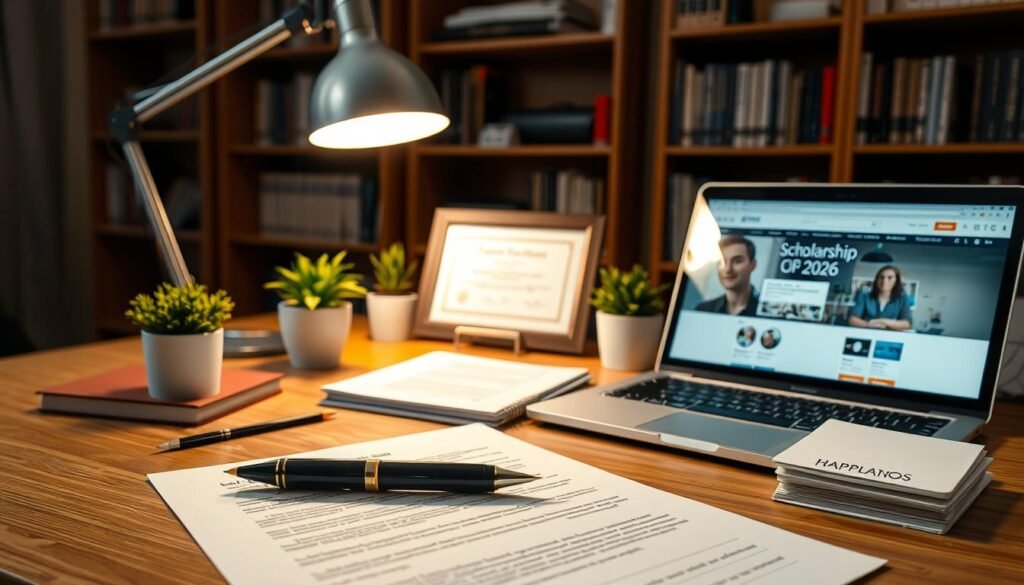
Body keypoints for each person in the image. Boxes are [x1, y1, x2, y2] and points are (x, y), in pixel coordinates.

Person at [697, 236, 759, 316]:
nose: (728, 269)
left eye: (737, 261)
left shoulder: (768, 311)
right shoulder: (702, 310)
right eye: (722, 262)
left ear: (753, 265)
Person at [848, 265, 912, 331]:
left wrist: (882, 321)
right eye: (881, 277)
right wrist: (869, 324)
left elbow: (907, 324)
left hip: (890, 337)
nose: (884, 281)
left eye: (890, 278)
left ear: (896, 281)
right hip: (866, 335)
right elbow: (852, 319)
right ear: (877, 279)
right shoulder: (864, 296)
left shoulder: (902, 298)